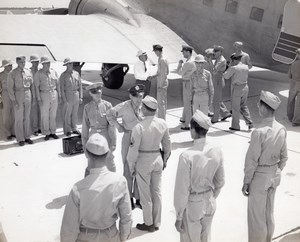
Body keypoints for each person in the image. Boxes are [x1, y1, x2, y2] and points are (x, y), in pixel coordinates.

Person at [61, 133, 132, 242]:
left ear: (86, 154)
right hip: (111, 236)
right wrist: (122, 238)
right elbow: (126, 218)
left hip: (85, 237)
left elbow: (69, 228)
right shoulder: (120, 182)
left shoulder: (78, 188)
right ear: (108, 154)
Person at [242, 90, 288, 242]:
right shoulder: (281, 129)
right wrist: (276, 170)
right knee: (269, 213)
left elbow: (251, 161)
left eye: (259, 105)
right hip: (274, 175)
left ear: (263, 108)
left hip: (260, 177)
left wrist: (247, 181)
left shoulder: (259, 132)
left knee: (256, 217)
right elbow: (284, 157)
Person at [174, 110, 225, 242]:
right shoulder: (216, 150)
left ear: (193, 131)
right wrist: (211, 195)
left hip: (193, 203)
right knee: (206, 238)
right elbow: (220, 180)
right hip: (209, 200)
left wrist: (179, 216)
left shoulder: (187, 156)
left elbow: (182, 189)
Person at [127, 95, 171, 232]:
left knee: (145, 194)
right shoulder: (162, 123)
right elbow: (167, 145)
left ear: (145, 109)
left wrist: (131, 166)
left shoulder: (139, 127)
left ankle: (148, 223)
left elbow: (133, 151)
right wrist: (164, 160)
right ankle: (157, 222)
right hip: (157, 157)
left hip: (144, 160)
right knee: (157, 192)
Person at [107, 84, 145, 209]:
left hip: (141, 138)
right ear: (130, 96)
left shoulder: (144, 106)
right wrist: (118, 126)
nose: (139, 99)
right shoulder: (124, 106)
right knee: (128, 167)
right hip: (128, 137)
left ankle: (139, 197)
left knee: (140, 168)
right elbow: (110, 114)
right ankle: (129, 198)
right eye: (136, 96)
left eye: (140, 96)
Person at [82, 82, 116, 174]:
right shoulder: (87, 108)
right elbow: (85, 128)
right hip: (93, 135)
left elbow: (112, 126)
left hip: (105, 135)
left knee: (110, 164)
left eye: (99, 92)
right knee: (92, 164)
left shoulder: (107, 106)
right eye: (95, 93)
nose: (98, 95)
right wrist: (85, 146)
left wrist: (113, 143)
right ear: (90, 94)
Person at [8, 55, 35, 146]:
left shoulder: (29, 72)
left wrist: (33, 97)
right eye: (21, 62)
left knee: (27, 117)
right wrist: (14, 100)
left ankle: (27, 137)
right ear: (17, 63)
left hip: (28, 94)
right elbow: (10, 89)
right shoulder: (12, 73)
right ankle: (20, 139)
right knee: (19, 118)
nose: (23, 64)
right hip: (18, 95)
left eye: (24, 62)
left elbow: (32, 86)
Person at [223, 54, 253, 131]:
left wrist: (229, 66)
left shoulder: (234, 68)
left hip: (237, 89)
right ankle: (249, 122)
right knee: (243, 105)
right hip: (245, 87)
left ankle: (235, 126)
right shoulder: (246, 67)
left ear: (234, 60)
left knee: (235, 108)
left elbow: (226, 76)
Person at [34, 55, 60, 141]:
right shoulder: (38, 73)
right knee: (45, 115)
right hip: (44, 95)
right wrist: (38, 98)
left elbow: (57, 84)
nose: (47, 64)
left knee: (53, 114)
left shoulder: (54, 72)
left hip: (53, 94)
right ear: (42, 64)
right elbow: (36, 87)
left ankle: (53, 131)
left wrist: (59, 95)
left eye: (48, 63)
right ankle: (46, 133)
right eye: (45, 63)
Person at [60, 58, 83, 136]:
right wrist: (64, 99)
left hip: (76, 94)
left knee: (75, 113)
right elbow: (62, 89)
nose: (71, 65)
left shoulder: (76, 73)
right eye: (69, 64)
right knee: (67, 113)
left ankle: (74, 128)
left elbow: (80, 85)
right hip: (68, 95)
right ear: (66, 65)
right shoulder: (63, 75)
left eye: (71, 63)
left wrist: (81, 97)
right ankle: (67, 130)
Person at [209, 45, 231, 123]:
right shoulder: (218, 59)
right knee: (217, 98)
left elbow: (214, 71)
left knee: (216, 101)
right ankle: (225, 113)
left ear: (221, 52)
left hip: (218, 80)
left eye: (216, 51)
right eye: (214, 51)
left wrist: (210, 61)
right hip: (217, 80)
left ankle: (215, 118)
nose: (215, 53)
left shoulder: (221, 60)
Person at [176, 45, 196, 130]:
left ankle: (188, 124)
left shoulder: (188, 63)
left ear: (188, 52)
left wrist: (180, 64)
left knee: (187, 104)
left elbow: (179, 72)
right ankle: (185, 119)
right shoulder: (192, 60)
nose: (183, 54)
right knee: (189, 103)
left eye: (184, 52)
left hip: (187, 83)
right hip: (191, 83)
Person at [152, 44, 169, 119]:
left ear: (158, 51)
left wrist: (160, 86)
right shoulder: (162, 58)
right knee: (162, 102)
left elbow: (164, 74)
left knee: (160, 103)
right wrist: (154, 76)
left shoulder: (162, 60)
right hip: (162, 81)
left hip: (161, 83)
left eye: (155, 51)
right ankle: (162, 117)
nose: (155, 53)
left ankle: (162, 120)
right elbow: (165, 72)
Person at [0, 59, 15, 140]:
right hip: (5, 95)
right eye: (9, 65)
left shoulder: (14, 74)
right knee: (6, 115)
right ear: (5, 66)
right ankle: (7, 132)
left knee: (14, 114)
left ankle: (13, 132)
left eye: (11, 65)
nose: (11, 66)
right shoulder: (1, 75)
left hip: (14, 94)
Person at [287, 48, 300, 126]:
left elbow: (289, 75)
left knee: (290, 101)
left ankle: (290, 117)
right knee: (299, 104)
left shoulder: (293, 63)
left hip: (293, 85)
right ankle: (296, 121)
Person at [29, 54, 41, 136]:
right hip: (33, 94)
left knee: (41, 111)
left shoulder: (40, 71)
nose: (36, 63)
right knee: (34, 112)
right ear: (31, 62)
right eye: (34, 62)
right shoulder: (29, 72)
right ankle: (35, 129)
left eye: (37, 61)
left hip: (41, 93)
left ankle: (40, 127)